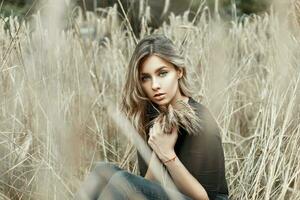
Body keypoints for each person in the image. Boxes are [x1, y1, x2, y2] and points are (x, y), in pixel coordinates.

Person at [74, 34, 229, 200]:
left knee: (123, 181)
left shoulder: (201, 120)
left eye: (162, 73)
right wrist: (157, 150)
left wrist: (167, 155)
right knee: (102, 171)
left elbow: (205, 198)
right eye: (145, 78)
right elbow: (146, 186)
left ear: (179, 71)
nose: (155, 85)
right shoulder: (149, 114)